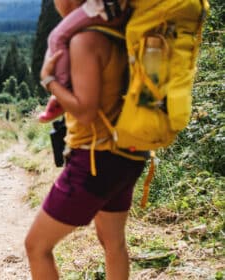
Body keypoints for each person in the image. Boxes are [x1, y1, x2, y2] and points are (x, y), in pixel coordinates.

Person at [25, 0, 145, 279]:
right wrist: (63, 102)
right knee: (113, 243)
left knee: (36, 246)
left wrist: (49, 80)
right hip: (126, 155)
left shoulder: (84, 40)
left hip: (94, 162)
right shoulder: (119, 32)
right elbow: (104, 94)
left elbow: (87, 111)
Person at [38, 0, 128, 122]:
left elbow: (86, 114)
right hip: (110, 136)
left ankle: (64, 85)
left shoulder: (83, 43)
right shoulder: (108, 33)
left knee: (55, 39)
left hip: (92, 140)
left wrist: (49, 81)